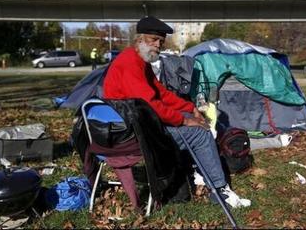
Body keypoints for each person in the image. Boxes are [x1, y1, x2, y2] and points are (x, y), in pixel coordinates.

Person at [103, 16, 250, 208]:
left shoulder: (140, 61)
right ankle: (220, 190)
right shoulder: (130, 63)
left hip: (136, 127)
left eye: (161, 42)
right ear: (139, 39)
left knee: (192, 121)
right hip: (133, 136)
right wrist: (185, 121)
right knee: (200, 133)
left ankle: (201, 172)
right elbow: (151, 103)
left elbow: (161, 93)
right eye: (153, 39)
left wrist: (190, 108)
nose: (158, 45)